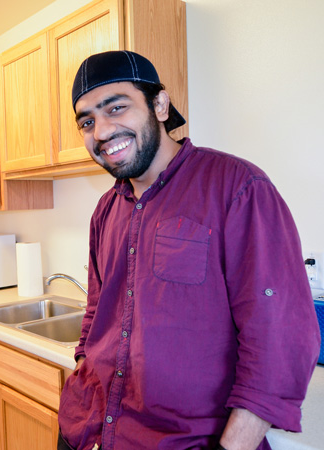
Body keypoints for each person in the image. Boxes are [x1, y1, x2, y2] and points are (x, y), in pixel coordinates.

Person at [57, 50, 320, 450]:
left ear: (160, 105)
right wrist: (83, 367)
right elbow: (96, 311)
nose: (102, 131)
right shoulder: (105, 210)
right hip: (88, 428)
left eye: (117, 108)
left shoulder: (238, 187)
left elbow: (279, 336)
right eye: (88, 121)